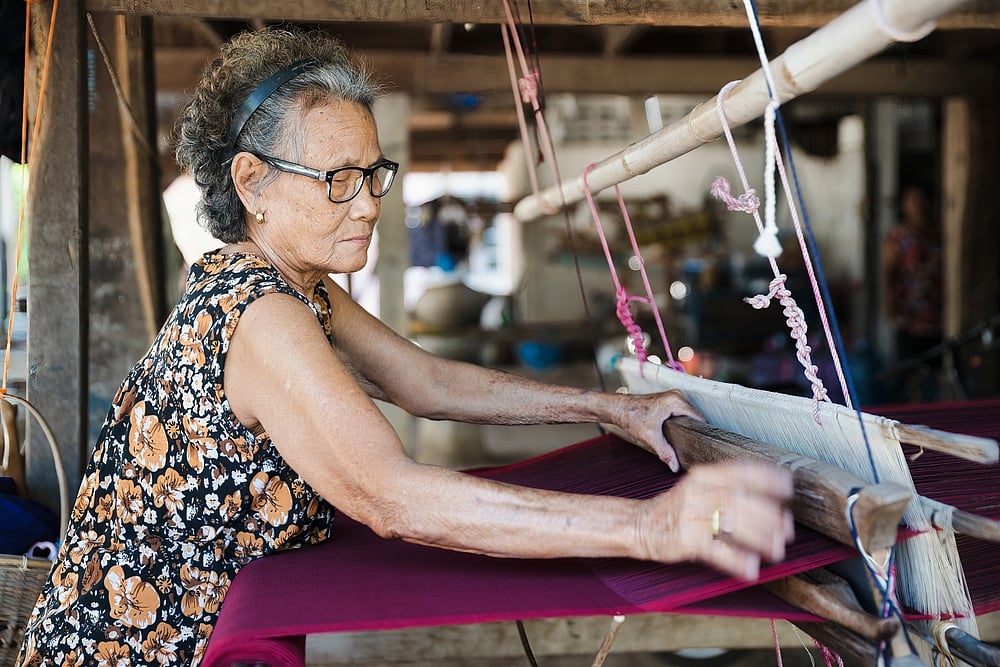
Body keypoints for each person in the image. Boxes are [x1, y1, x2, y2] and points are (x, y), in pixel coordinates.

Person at [16, 27, 794, 666]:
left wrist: (607, 408)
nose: (369, 206)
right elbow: (396, 498)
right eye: (338, 181)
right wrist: (651, 528)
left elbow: (423, 381)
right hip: (132, 648)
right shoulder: (258, 315)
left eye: (374, 174)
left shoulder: (291, 283)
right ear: (251, 182)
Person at [882, 183, 943, 401]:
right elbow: (888, 276)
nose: (918, 206)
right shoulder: (898, 237)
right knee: (912, 371)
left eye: (921, 200)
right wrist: (891, 310)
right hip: (910, 315)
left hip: (937, 315)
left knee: (936, 370)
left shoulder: (937, 233)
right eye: (912, 201)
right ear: (904, 206)